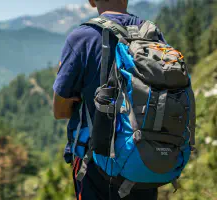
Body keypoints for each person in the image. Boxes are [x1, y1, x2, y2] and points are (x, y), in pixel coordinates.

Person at [52, 0, 164, 199]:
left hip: (96, 164)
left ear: (91, 0)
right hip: (144, 160)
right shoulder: (152, 35)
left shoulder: (82, 38)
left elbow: (59, 111)